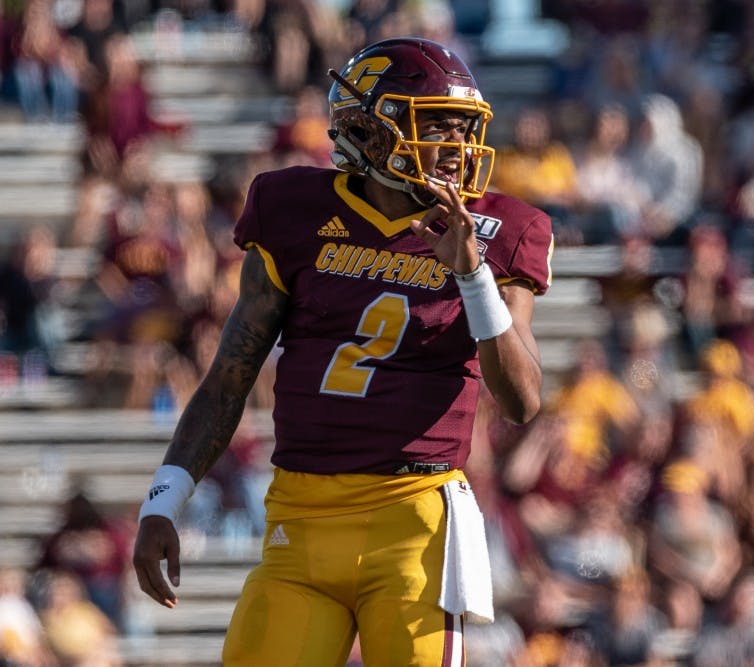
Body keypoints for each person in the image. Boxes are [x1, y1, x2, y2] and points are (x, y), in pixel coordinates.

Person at [131, 37, 553, 665]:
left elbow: (521, 401)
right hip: (298, 520)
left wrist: (472, 276)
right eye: (434, 125)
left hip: (416, 523)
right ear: (370, 130)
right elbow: (231, 374)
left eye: (464, 128)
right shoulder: (293, 209)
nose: (458, 149)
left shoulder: (498, 230)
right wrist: (164, 499)